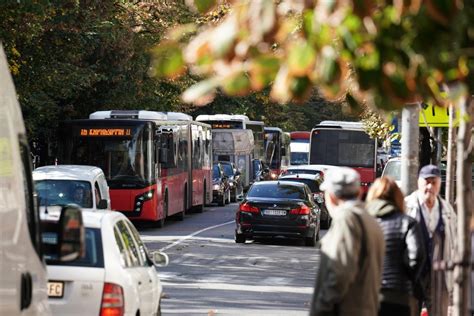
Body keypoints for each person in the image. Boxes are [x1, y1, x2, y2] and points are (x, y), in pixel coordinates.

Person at [310, 167, 385, 316]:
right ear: (358, 193)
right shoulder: (369, 219)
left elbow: (340, 273)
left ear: (331, 196)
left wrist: (322, 308)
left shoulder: (346, 219)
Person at [366, 177, 426, 316]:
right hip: (400, 296)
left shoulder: (364, 224)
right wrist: (406, 278)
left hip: (368, 295)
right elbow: (417, 256)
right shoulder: (408, 222)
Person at [405, 164, 457, 316]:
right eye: (426, 182)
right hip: (413, 275)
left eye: (434, 182)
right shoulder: (407, 206)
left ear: (439, 184)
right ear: (418, 183)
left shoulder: (447, 210)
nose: (429, 186)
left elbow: (454, 243)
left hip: (439, 277)